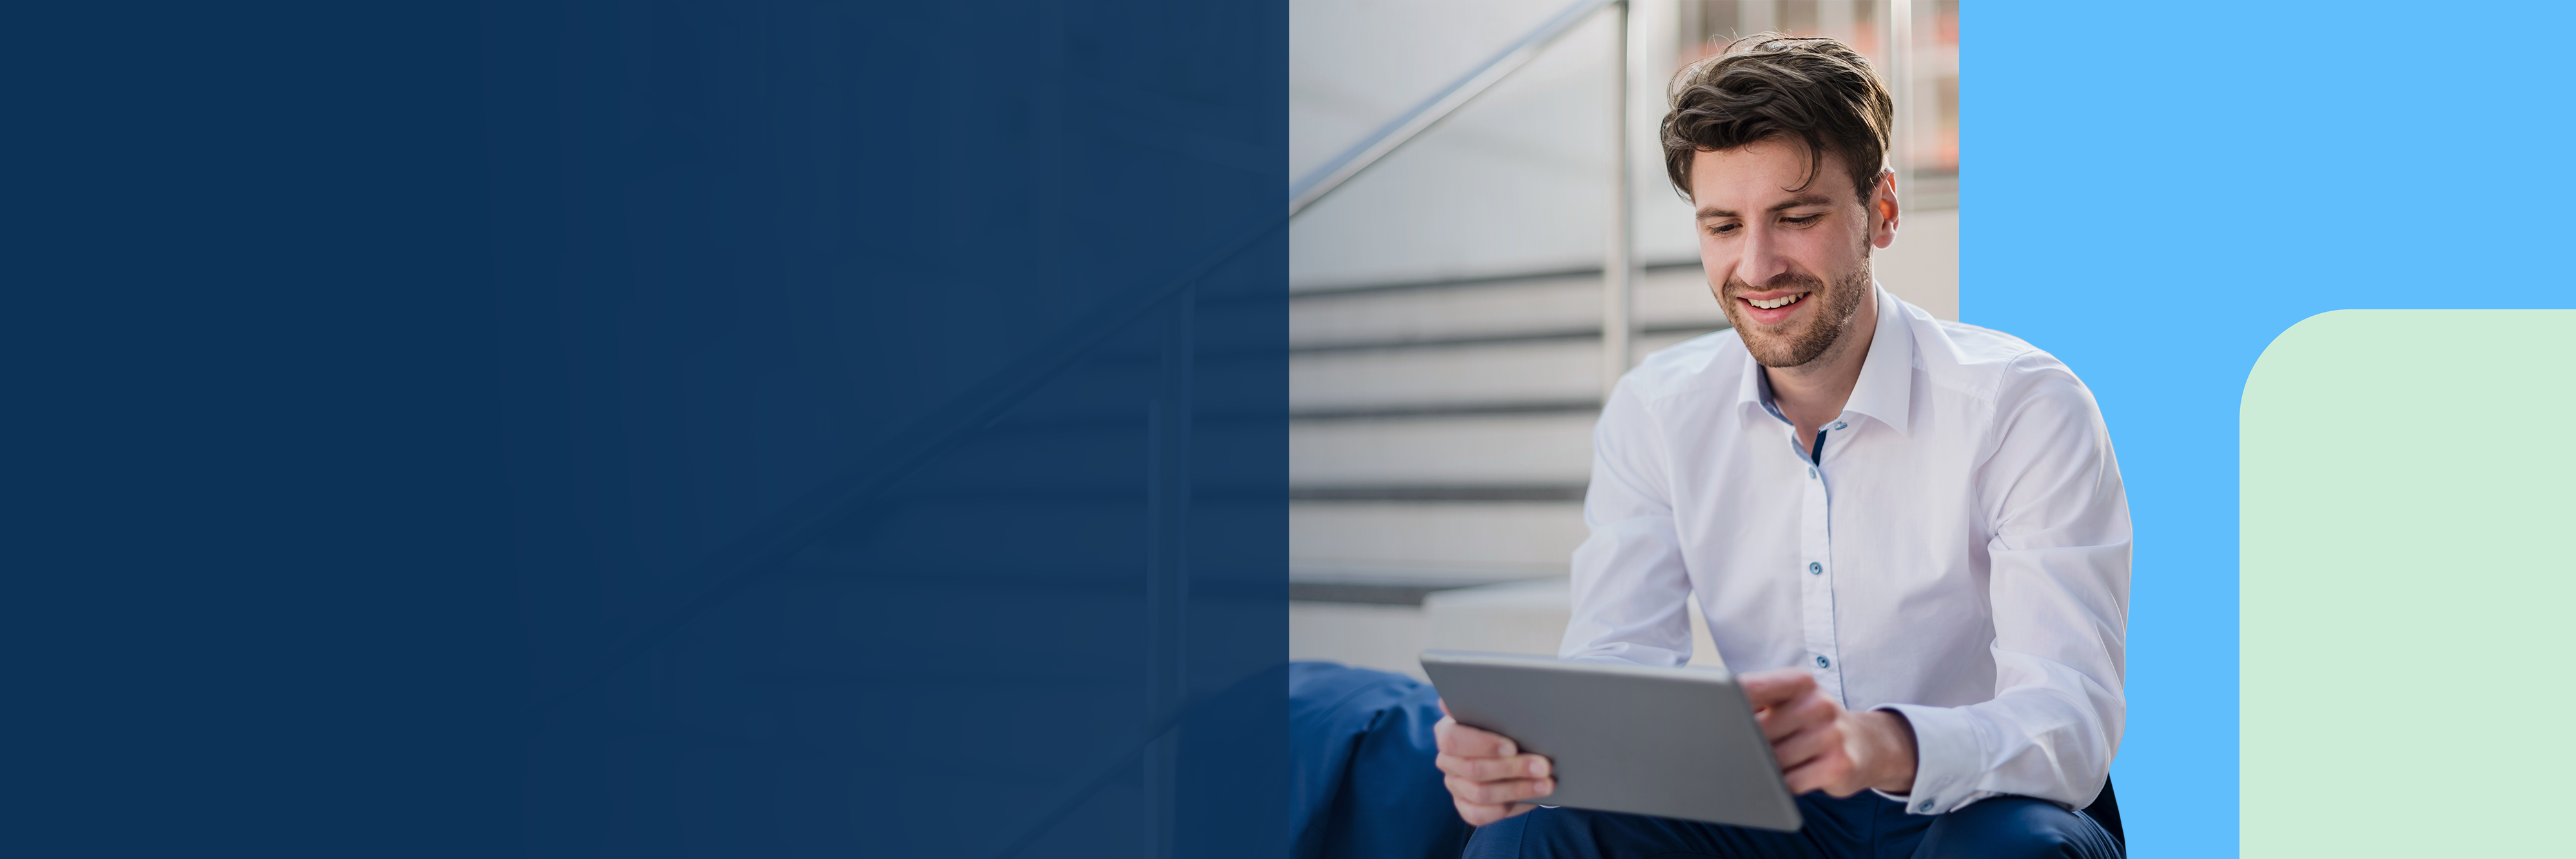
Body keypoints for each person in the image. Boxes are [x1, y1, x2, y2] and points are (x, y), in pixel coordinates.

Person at [1436, 35, 2129, 858]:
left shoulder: (2024, 405)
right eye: (1723, 225)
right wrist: (1529, 762)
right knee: (1530, 834)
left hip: (1979, 802)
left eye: (1797, 217)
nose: (1757, 266)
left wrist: (1881, 743)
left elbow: (2069, 725)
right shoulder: (1657, 411)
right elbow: (1617, 663)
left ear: (1882, 211)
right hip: (1777, 809)